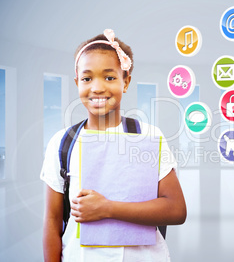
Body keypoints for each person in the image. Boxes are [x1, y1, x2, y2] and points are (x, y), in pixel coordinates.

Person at [40, 29, 186, 262]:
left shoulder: (148, 137)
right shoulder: (62, 143)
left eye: (109, 77)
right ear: (77, 82)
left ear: (125, 81)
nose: (97, 88)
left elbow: (176, 210)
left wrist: (107, 208)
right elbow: (52, 220)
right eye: (87, 78)